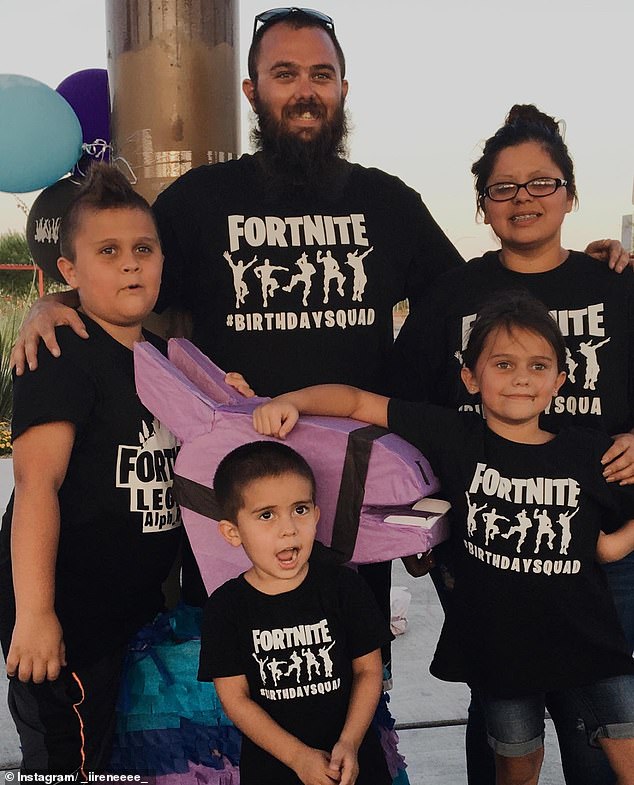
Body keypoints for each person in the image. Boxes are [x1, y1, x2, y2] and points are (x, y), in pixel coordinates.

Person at [6, 10, 628, 672]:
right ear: (252, 91)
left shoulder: (387, 203)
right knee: (242, 700)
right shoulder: (199, 202)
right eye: (284, 74)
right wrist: (53, 300)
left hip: (357, 504)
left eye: (321, 75)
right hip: (233, 515)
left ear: (342, 91)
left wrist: (584, 268)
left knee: (359, 691)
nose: (305, 90)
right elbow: (121, 272)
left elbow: (481, 308)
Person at [252, 292, 634, 785]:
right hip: (502, 654)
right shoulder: (454, 435)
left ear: (559, 380)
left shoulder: (588, 450)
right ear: (470, 377)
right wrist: (292, 401)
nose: (522, 377)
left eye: (539, 366)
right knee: (517, 769)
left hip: (592, 646)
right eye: (503, 363)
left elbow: (602, 547)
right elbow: (357, 401)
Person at [392, 104, 634, 785]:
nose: (523, 198)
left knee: (602, 718)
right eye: (504, 187)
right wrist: (419, 522)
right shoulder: (452, 294)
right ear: (484, 204)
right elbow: (403, 409)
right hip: (490, 541)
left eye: (542, 182)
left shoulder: (615, 283)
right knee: (504, 716)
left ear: (570, 192)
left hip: (605, 538)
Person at [0, 164, 184, 774]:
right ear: (69, 272)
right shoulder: (60, 354)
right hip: (65, 619)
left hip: (126, 614)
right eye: (108, 251)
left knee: (111, 755)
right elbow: (35, 485)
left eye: (143, 249)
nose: (130, 263)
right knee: (66, 763)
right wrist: (35, 614)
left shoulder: (161, 359)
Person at [198, 440, 392, 785]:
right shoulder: (225, 608)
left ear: (317, 515)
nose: (288, 528)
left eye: (300, 510)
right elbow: (236, 700)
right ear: (232, 532)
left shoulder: (346, 588)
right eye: (266, 515)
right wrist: (297, 757)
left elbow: (367, 670)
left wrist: (349, 742)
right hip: (275, 770)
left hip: (354, 762)